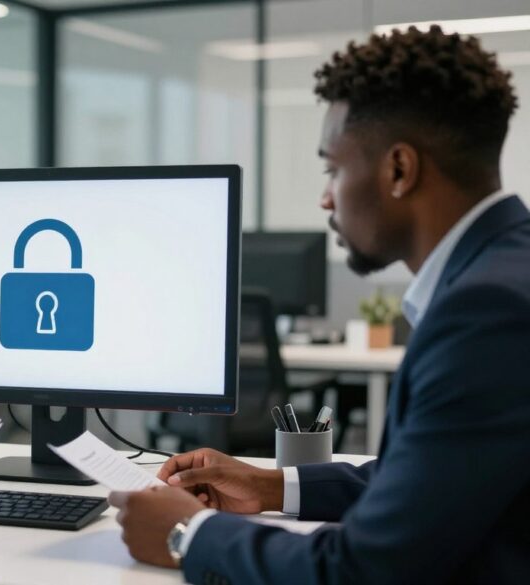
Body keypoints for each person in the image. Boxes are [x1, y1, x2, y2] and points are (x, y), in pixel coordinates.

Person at [110, 25, 529, 584]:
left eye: (333, 168)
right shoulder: (503, 273)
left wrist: (188, 534)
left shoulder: (487, 309)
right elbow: (437, 478)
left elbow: (367, 571)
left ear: (399, 170)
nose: (325, 197)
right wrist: (268, 485)